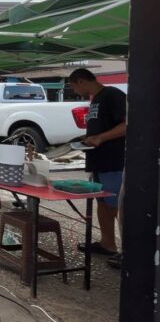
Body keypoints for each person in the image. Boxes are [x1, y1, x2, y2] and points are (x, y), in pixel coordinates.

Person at [69, 68, 126, 267]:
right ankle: (107, 243)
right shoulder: (96, 100)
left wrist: (100, 138)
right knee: (103, 204)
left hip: (113, 161)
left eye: (74, 87)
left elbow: (127, 125)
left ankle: (130, 252)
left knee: (117, 206)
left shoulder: (112, 95)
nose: (75, 92)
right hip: (99, 161)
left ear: (81, 82)